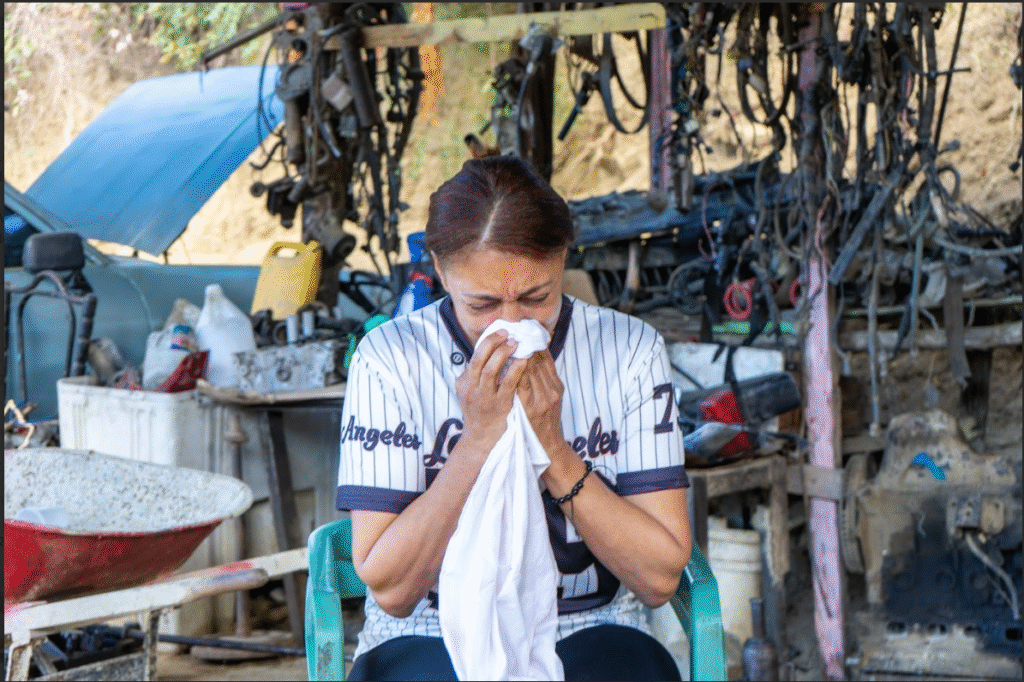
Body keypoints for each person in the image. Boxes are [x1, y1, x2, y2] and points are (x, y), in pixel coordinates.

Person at [336, 155, 691, 681]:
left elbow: (660, 579)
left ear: (563, 256)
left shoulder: (630, 352)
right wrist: (478, 441)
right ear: (439, 269)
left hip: (592, 622)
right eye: (481, 304)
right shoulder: (390, 360)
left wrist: (553, 449)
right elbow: (391, 591)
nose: (510, 325)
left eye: (536, 297)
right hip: (427, 631)